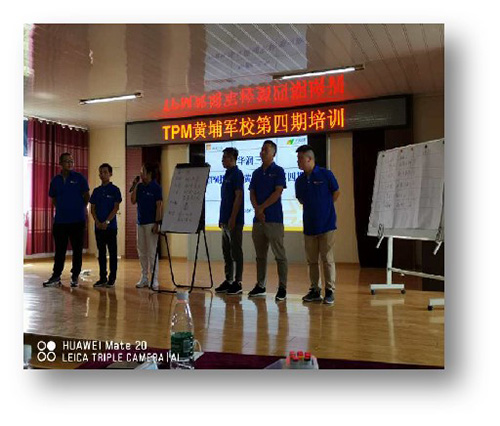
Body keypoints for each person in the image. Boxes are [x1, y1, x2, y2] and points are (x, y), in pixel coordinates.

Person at [295, 145, 340, 305]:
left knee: (327, 259)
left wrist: (325, 207)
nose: (298, 162)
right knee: (312, 260)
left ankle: (330, 291)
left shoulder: (326, 174)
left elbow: (336, 192)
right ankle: (315, 290)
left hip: (327, 224)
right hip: (309, 225)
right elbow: (301, 199)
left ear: (309, 159)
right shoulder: (299, 180)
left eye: (300, 158)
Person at [248, 140, 288, 301]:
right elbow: (252, 193)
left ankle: (282, 287)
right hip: (258, 220)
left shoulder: (278, 171)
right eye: (262, 149)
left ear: (274, 154)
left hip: (274, 219)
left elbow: (277, 192)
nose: (262, 152)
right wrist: (257, 209)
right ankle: (260, 285)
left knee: (280, 255)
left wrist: (262, 208)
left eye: (266, 150)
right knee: (260, 256)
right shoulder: (256, 173)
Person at [42, 152, 90, 288]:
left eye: (71, 161)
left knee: (77, 250)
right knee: (60, 250)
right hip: (60, 221)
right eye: (67, 161)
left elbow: (87, 195)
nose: (70, 163)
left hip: (77, 220)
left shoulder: (79, 178)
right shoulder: (55, 180)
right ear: (60, 163)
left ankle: (75, 276)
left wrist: (79, 208)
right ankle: (56, 276)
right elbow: (54, 198)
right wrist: (62, 208)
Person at [215, 147, 245, 295]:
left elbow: (238, 197)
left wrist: (233, 218)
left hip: (234, 221)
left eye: (225, 157)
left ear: (232, 158)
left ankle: (238, 282)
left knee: (236, 251)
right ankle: (229, 280)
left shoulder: (237, 174)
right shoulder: (226, 175)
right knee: (226, 251)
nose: (222, 160)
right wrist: (222, 219)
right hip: (225, 221)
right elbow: (225, 200)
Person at [130, 163, 163, 291]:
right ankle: (144, 277)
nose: (140, 173)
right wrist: (134, 186)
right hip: (140, 223)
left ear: (149, 173)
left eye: (142, 171)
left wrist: (157, 223)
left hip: (151, 223)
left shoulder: (156, 187)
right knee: (142, 251)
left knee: (152, 252)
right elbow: (133, 201)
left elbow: (159, 206)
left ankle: (154, 279)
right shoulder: (139, 186)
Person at [89, 163, 122, 288]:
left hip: (111, 227)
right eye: (101, 172)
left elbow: (116, 208)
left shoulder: (115, 190)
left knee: (112, 253)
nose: (102, 174)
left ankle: (112, 279)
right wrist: (97, 222)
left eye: (105, 172)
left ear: (110, 174)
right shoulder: (96, 191)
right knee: (101, 253)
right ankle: (102, 278)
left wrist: (107, 222)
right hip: (98, 227)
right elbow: (92, 208)